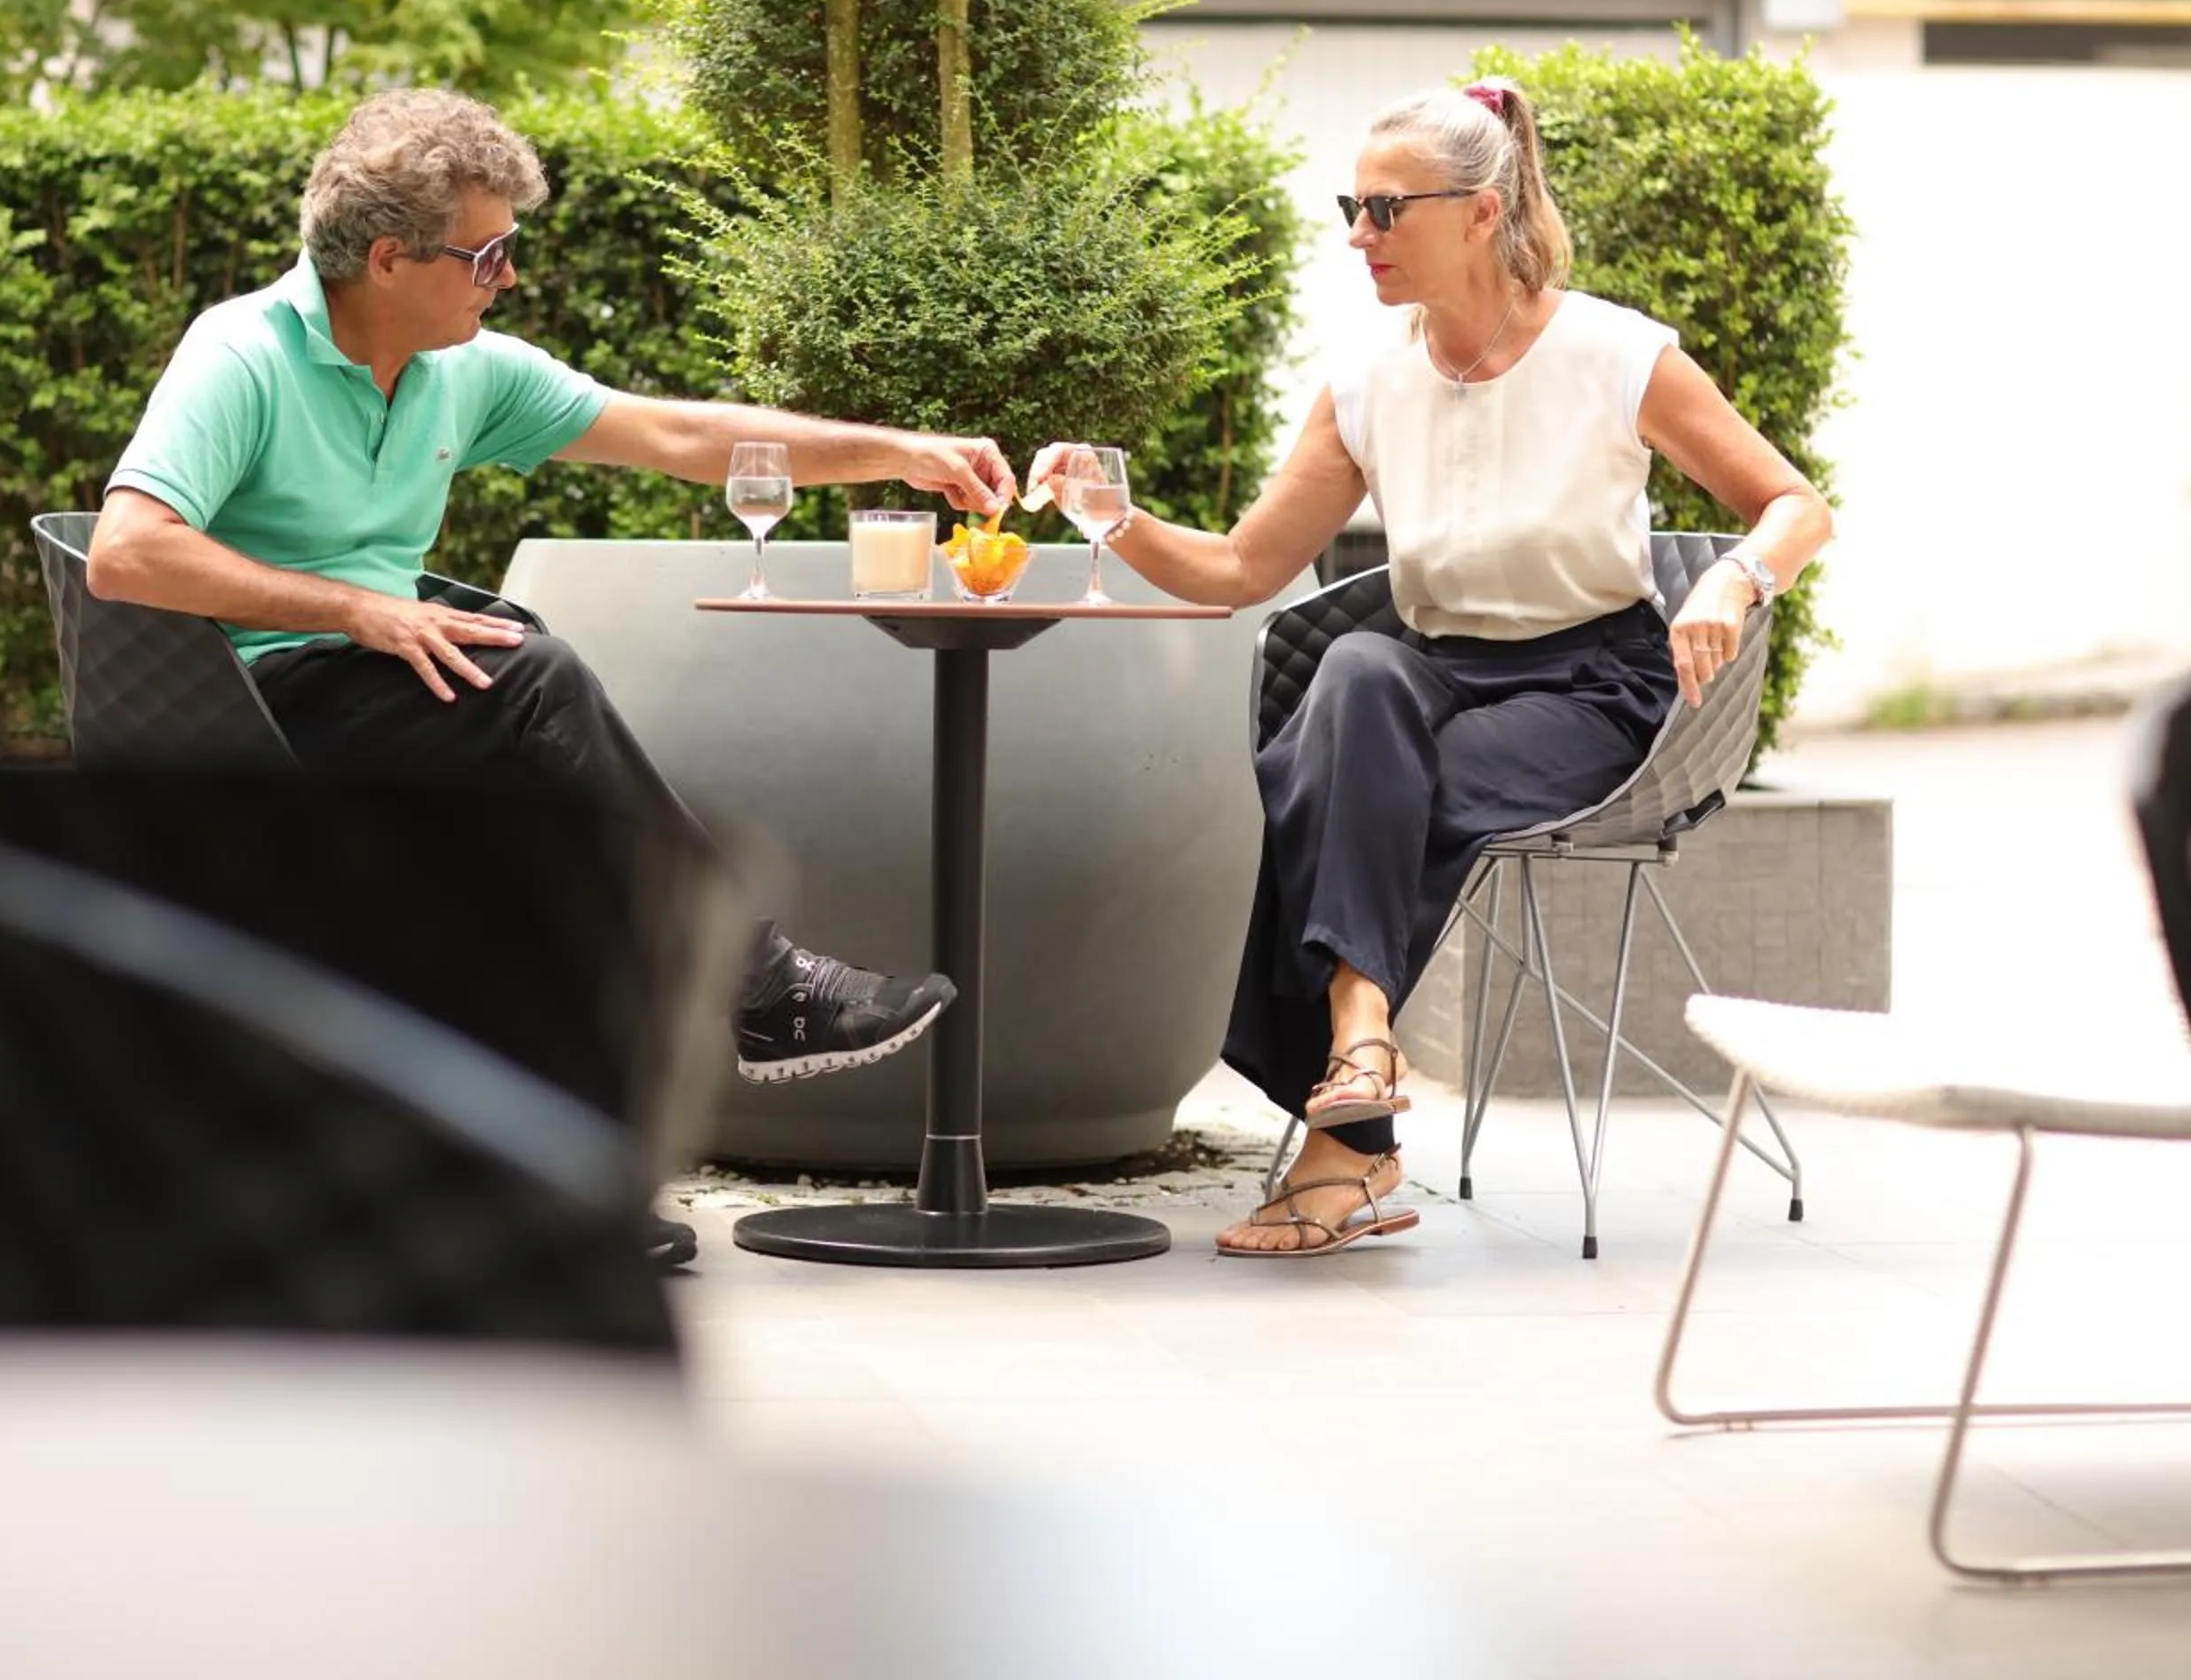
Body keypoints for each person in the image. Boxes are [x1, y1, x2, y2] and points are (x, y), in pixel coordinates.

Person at [88, 88, 1019, 1266]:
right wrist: (353, 606)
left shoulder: (458, 368)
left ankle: (542, 1173)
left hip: (377, 679)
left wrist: (897, 452)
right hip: (246, 704)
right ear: (388, 256)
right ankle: (759, 987)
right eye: (487, 253)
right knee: (537, 688)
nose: (507, 277)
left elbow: (680, 439)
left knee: (539, 767)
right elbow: (127, 551)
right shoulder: (245, 355)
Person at [1031, 77, 1834, 1256]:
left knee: (1344, 775)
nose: (1361, 237)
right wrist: (1112, 518)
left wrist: (1730, 578)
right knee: (1355, 672)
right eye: (1351, 208)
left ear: (1483, 209)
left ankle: (1353, 1140)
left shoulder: (1618, 355)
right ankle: (1361, 1048)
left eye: (1387, 211)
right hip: (1432, 681)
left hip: (1594, 693)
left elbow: (1794, 505)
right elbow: (1242, 569)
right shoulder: (1364, 384)